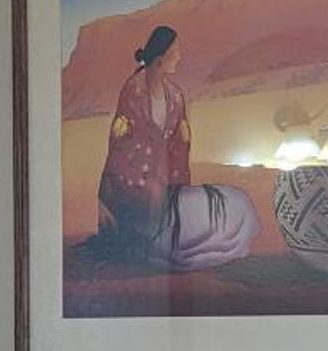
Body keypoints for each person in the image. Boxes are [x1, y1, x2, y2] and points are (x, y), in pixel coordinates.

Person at [95, 25, 258, 270]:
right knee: (179, 238)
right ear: (160, 58)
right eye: (175, 52)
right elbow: (121, 149)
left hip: (169, 190)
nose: (179, 57)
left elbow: (180, 147)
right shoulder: (134, 91)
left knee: (233, 203)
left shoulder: (175, 95)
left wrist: (176, 190)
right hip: (136, 198)